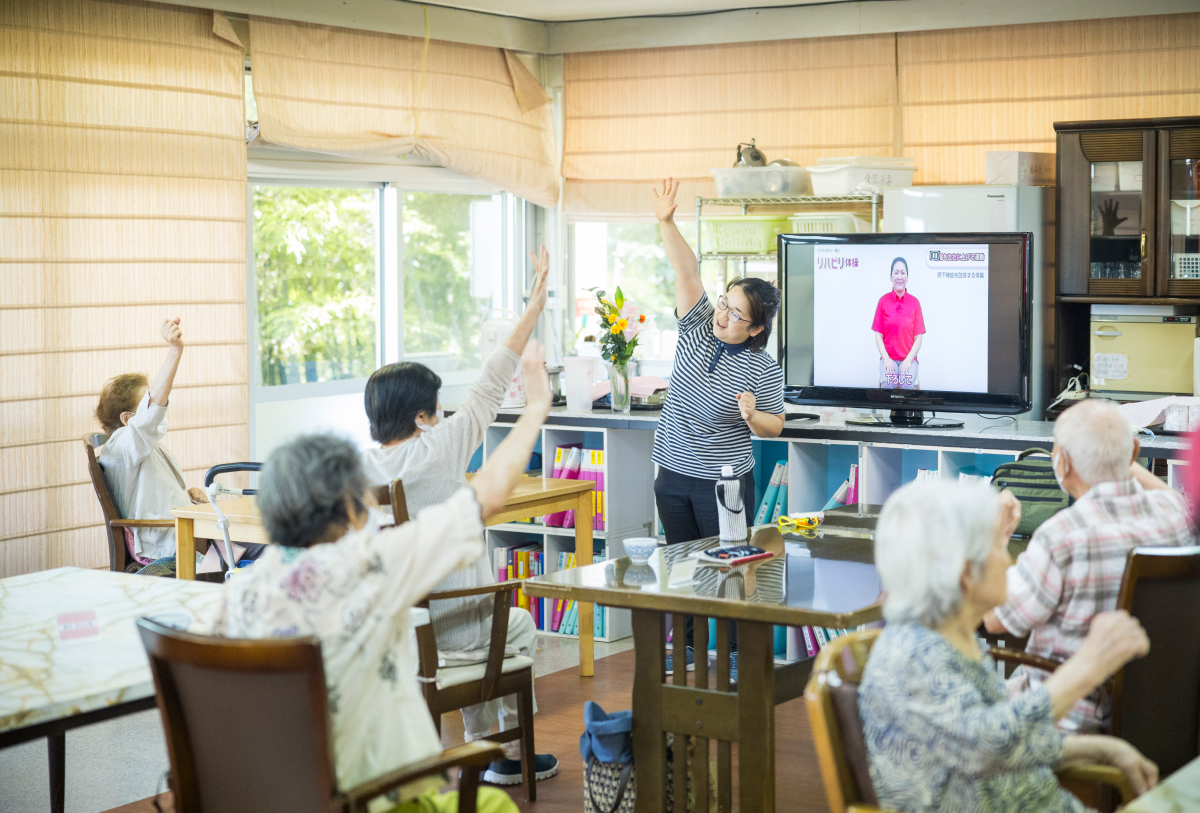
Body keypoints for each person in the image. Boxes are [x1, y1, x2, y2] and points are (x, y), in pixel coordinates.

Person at [204, 344, 553, 813]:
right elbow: (484, 499)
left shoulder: (239, 591)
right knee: (494, 806)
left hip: (267, 795)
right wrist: (535, 410)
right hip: (369, 798)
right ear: (348, 507)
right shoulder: (369, 567)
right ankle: (498, 745)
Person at [359, 249, 556, 788]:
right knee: (516, 625)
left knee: (485, 619)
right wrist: (534, 306)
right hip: (452, 625)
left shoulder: (361, 467)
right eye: (437, 408)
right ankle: (503, 753)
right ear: (421, 417)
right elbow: (492, 383)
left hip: (396, 631)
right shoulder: (437, 449)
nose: (445, 415)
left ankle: (478, 747)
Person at [860, 481, 1158, 813]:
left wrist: (1105, 750)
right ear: (967, 574)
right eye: (999, 548)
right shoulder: (914, 657)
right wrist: (1086, 666)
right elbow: (990, 745)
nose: (1009, 562)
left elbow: (1003, 737)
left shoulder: (949, 638)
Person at [984, 398, 1196, 732]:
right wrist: (1121, 455)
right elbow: (1181, 504)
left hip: (1068, 724)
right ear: (1133, 454)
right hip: (1164, 725)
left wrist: (995, 541)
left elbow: (996, 620)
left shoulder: (1062, 537)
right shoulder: (1175, 516)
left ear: (1062, 462)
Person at [652, 178, 786, 678]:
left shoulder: (761, 367)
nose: (723, 314)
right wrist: (667, 221)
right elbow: (686, 271)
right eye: (724, 304)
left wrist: (753, 416)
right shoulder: (696, 327)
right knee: (682, 567)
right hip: (672, 473)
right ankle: (687, 650)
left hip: (723, 482)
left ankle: (733, 656)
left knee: (731, 569)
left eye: (736, 314)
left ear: (755, 328)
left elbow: (776, 426)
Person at [95, 318, 217, 572]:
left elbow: (152, 492)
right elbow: (151, 414)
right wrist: (175, 351)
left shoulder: (134, 447)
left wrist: (188, 496)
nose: (157, 405)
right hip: (169, 546)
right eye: (145, 404)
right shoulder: (122, 446)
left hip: (185, 533)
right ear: (128, 419)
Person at [871, 256, 924, 390]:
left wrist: (908, 360)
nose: (899, 276)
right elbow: (878, 336)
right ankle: (893, 412)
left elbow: (918, 338)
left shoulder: (915, 303)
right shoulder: (883, 301)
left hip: (909, 360)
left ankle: (905, 412)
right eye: (896, 272)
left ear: (907, 276)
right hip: (889, 359)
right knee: (889, 383)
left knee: (906, 384)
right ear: (891, 276)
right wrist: (886, 358)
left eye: (902, 272)